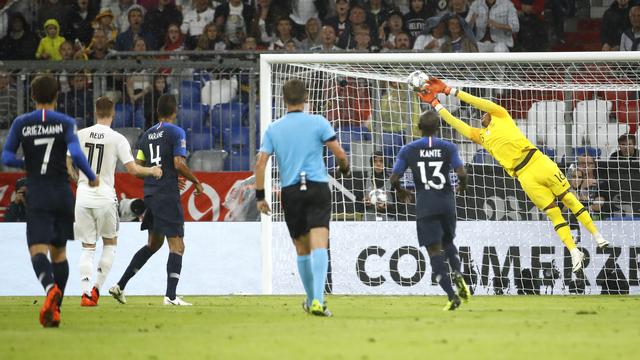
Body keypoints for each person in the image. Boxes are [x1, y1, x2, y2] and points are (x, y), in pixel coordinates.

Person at [417, 76, 610, 273]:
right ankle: (574, 251)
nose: (480, 115)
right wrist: (435, 104)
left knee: (569, 198)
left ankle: (597, 236)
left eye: (483, 114)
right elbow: (458, 124)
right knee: (553, 212)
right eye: (480, 115)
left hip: (538, 161)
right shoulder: (482, 137)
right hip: (523, 176)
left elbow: (479, 102)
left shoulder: (501, 115)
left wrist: (449, 90)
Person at [1, 75, 98, 327]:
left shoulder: (22, 123)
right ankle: (56, 310)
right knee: (60, 253)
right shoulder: (65, 122)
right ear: (57, 95)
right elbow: (75, 153)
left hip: (39, 192)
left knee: (37, 250)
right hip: (63, 193)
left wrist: (26, 163)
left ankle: (49, 288)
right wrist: (90, 176)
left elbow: (7, 157)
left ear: (32, 96)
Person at [254, 79, 349, 317]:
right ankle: (318, 300)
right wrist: (344, 167)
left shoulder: (274, 128)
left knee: (301, 249)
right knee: (320, 244)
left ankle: (311, 299)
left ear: (283, 100)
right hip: (317, 186)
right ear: (306, 98)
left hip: (292, 192)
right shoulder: (318, 122)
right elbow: (339, 152)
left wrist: (260, 196)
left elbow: (260, 163)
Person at [109, 94, 203, 306]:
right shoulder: (176, 132)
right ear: (175, 111)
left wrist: (160, 176)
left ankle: (120, 285)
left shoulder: (146, 135)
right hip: (166, 196)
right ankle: (170, 296)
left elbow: (139, 170)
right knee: (177, 245)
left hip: (151, 195)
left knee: (153, 244)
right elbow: (178, 163)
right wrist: (196, 181)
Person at [72, 96, 162, 306]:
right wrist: (152, 170)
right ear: (113, 114)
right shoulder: (117, 138)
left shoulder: (80, 135)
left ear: (95, 113)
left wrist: (78, 179)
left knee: (87, 247)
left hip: (83, 196)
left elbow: (68, 160)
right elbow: (133, 169)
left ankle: (85, 294)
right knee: (110, 244)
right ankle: (96, 290)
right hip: (105, 197)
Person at [389, 111, 471, 311]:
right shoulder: (449, 147)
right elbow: (462, 172)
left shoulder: (408, 149)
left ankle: (452, 296)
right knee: (449, 242)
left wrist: (400, 191)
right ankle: (458, 274)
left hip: (426, 204)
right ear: (438, 128)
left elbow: (393, 178)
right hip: (447, 203)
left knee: (434, 251)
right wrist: (462, 185)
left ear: (418, 127)